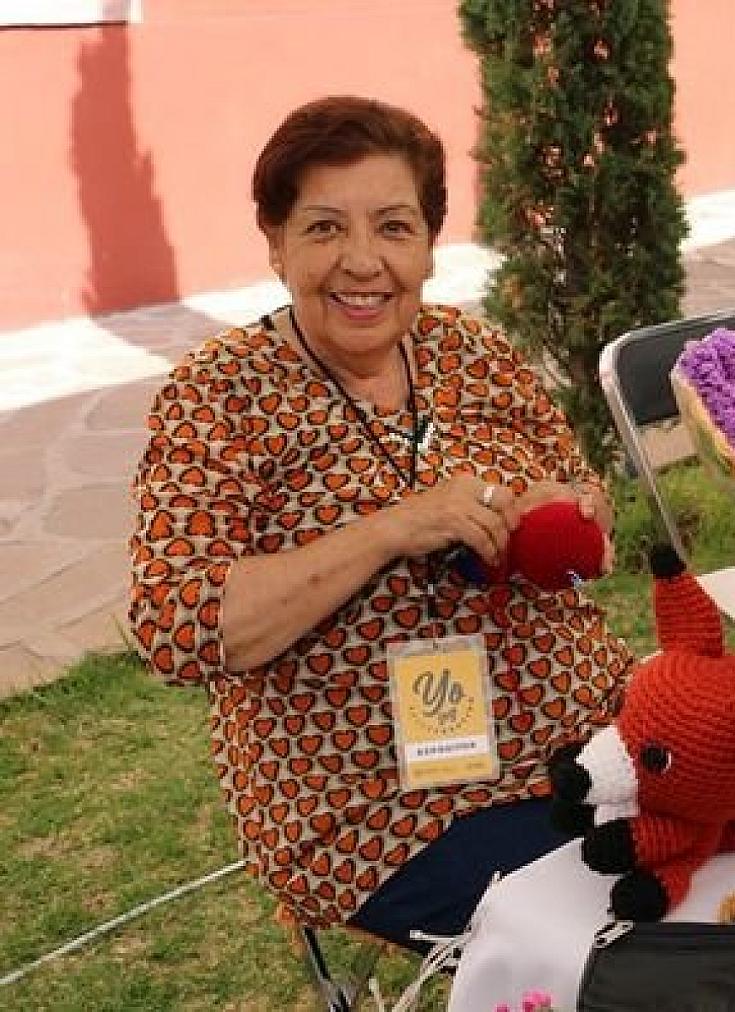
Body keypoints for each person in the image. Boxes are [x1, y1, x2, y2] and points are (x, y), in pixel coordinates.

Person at [127, 96, 631, 949]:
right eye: (324, 228)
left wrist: (565, 518)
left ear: (428, 244)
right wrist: (389, 529)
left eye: (394, 227)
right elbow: (178, 626)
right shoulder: (218, 394)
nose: (362, 261)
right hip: (382, 809)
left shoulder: (472, 351)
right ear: (276, 241)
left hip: (591, 736)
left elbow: (590, 509)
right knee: (618, 934)